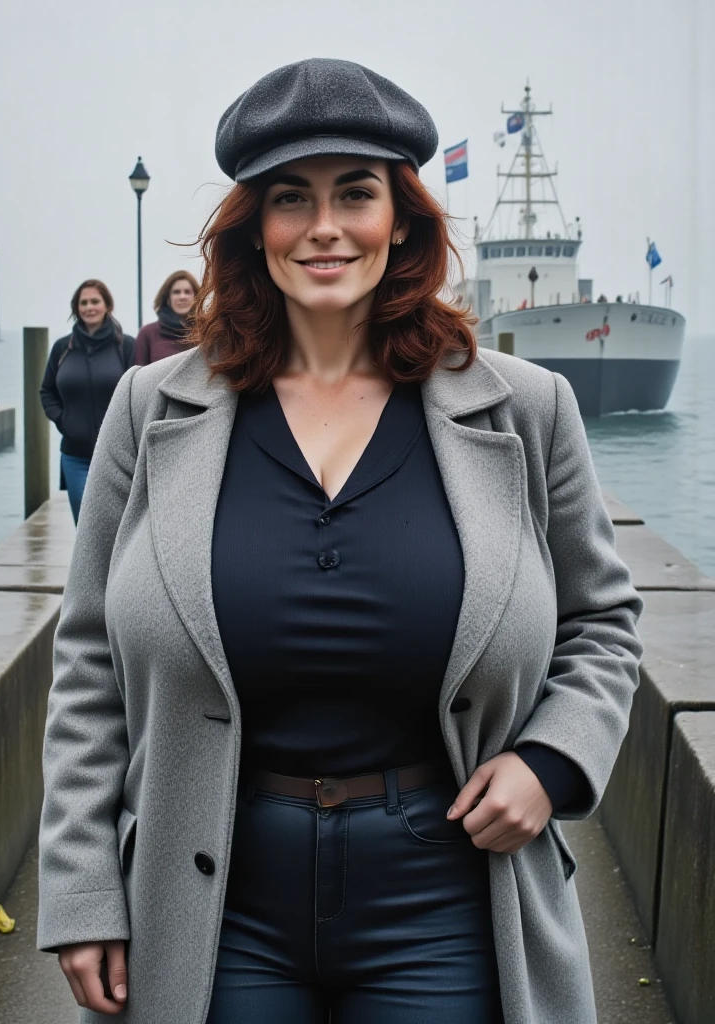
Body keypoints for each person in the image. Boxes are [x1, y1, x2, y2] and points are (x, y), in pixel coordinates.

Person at [37, 59, 643, 1024]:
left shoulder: (527, 411)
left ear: (400, 217)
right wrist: (79, 889)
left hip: (448, 891)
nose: (324, 226)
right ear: (256, 228)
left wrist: (552, 760)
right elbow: (87, 663)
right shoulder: (149, 412)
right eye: (291, 198)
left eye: (355, 193)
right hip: (213, 896)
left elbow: (603, 623)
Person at [39, 280, 134, 523]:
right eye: (83, 302)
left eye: (95, 301)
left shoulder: (125, 346)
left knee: (117, 525)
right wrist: (63, 421)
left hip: (117, 455)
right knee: (85, 526)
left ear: (107, 305)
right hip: (75, 455)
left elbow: (137, 392)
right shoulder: (63, 348)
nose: (89, 307)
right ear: (76, 308)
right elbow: (47, 391)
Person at [134, 270, 200, 365]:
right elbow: (137, 376)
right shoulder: (148, 333)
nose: (182, 297)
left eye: (187, 292)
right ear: (168, 298)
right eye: (176, 292)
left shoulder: (206, 332)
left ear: (196, 297)